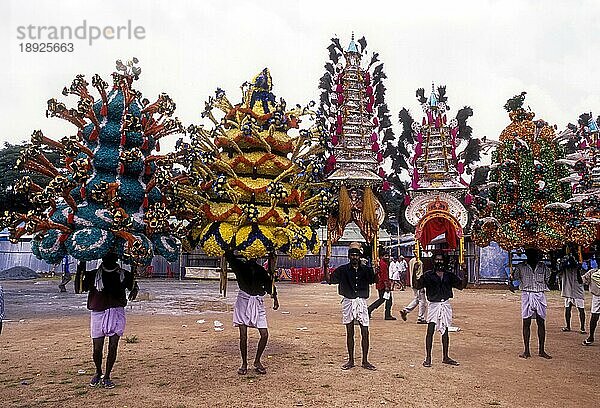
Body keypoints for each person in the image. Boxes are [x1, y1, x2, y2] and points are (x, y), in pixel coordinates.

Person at [82, 253, 138, 388]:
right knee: (97, 349)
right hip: (98, 312)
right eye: (106, 258)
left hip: (116, 312)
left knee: (113, 346)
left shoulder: (124, 275)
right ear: (102, 258)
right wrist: (81, 265)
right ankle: (98, 372)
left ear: (116, 259)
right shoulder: (93, 275)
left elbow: (132, 289)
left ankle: (107, 375)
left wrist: (134, 266)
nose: (109, 260)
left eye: (112, 258)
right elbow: (80, 288)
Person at [325, 242, 377, 370]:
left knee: (365, 331)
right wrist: (325, 266)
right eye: (352, 255)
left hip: (361, 302)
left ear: (360, 256)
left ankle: (365, 361)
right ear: (349, 257)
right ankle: (351, 360)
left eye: (356, 255)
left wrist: (376, 269)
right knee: (350, 332)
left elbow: (374, 279)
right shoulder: (342, 270)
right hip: (348, 301)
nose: (354, 257)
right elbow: (329, 280)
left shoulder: (366, 270)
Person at [225, 251, 279, 375]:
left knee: (264, 334)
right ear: (246, 254)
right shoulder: (239, 266)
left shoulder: (261, 270)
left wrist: (275, 298)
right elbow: (229, 256)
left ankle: (257, 361)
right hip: (243, 301)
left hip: (258, 302)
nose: (253, 257)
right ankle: (244, 363)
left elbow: (269, 285)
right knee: (243, 336)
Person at [413, 251, 467, 367]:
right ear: (433, 261)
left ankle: (446, 356)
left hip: (445, 305)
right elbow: (417, 285)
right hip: (433, 305)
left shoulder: (449, 275)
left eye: (441, 259)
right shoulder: (428, 275)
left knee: (445, 331)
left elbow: (461, 286)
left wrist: (464, 271)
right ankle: (428, 357)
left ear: (445, 261)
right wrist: (414, 271)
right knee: (430, 330)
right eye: (437, 259)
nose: (439, 262)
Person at [510, 248, 552, 359]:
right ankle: (526, 351)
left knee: (541, 322)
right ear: (527, 254)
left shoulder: (543, 267)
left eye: (536, 253)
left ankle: (541, 350)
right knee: (526, 322)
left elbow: (549, 280)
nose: (534, 256)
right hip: (526, 295)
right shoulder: (520, 267)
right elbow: (514, 278)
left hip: (539, 294)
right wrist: (511, 281)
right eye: (532, 253)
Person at [558, 254, 586, 334]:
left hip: (577, 290)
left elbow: (580, 280)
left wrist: (575, 266)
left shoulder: (578, 268)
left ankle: (582, 327)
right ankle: (568, 326)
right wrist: (568, 259)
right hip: (568, 290)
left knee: (581, 310)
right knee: (567, 309)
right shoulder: (565, 268)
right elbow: (560, 268)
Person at [367, 251, 396, 320]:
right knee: (387, 300)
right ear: (381, 256)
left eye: (388, 256)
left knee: (382, 299)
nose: (387, 257)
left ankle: (370, 310)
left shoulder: (382, 263)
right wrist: (386, 286)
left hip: (380, 284)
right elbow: (384, 276)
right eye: (385, 256)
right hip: (383, 284)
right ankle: (386, 314)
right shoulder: (383, 264)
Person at [400, 255, 427, 324]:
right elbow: (419, 275)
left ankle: (405, 310)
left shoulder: (411, 261)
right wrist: (421, 285)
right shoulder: (419, 262)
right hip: (418, 284)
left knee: (417, 299)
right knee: (422, 301)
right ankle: (421, 317)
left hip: (413, 283)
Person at [581, 267, 600, 346]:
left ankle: (591, 337)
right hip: (597, 296)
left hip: (597, 296)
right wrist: (577, 271)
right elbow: (581, 280)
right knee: (594, 316)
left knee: (594, 316)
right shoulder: (592, 272)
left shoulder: (593, 273)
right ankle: (591, 337)